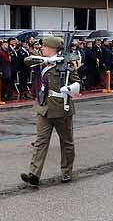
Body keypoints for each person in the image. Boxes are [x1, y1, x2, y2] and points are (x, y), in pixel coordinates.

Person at [21, 36, 81, 186]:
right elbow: (27, 61)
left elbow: (78, 83)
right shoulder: (43, 60)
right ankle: (34, 174)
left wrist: (69, 89)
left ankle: (66, 171)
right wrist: (47, 61)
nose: (42, 48)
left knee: (66, 142)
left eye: (44, 46)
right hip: (44, 106)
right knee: (40, 141)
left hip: (61, 107)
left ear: (52, 48)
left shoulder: (66, 64)